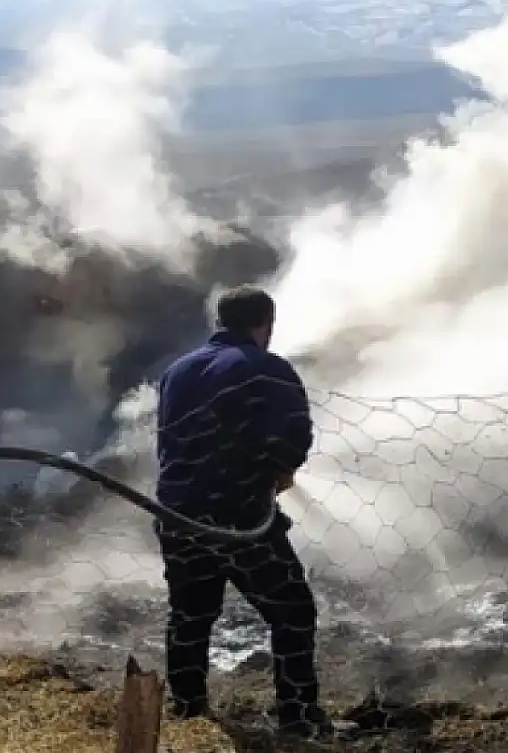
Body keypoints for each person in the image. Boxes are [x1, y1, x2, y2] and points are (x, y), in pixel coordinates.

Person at [154, 285, 349, 739]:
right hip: (240, 517)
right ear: (266, 324)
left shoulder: (176, 371)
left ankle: (187, 711)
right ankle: (299, 717)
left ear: (219, 321)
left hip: (178, 515)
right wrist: (280, 471)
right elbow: (295, 432)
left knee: (190, 613)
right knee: (292, 610)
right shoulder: (267, 368)